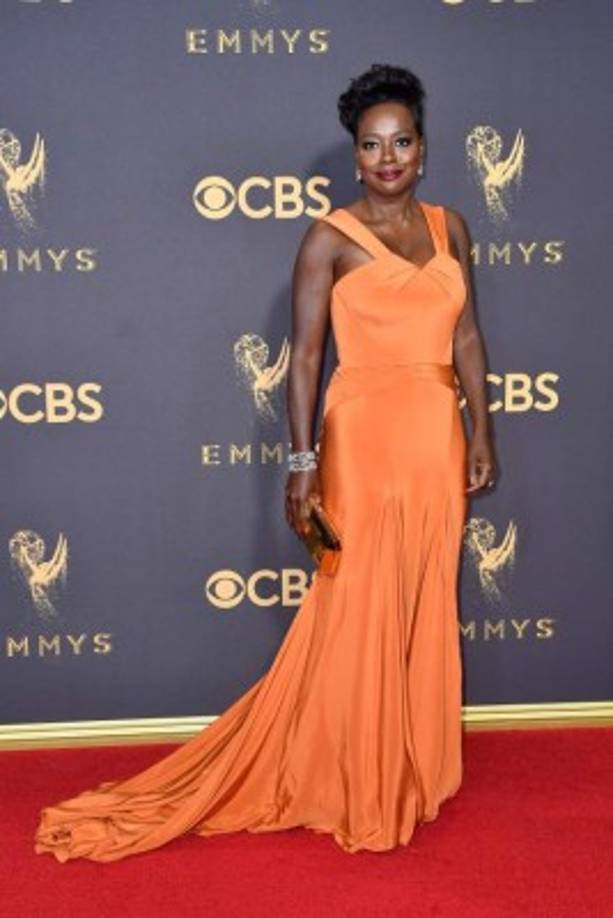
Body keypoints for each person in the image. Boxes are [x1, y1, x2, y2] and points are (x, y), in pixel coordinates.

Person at [34, 63, 496, 864]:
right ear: (354, 156)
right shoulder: (326, 237)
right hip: (363, 434)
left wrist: (482, 430)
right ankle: (358, 772)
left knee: (423, 593)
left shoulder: (451, 227)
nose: (387, 158)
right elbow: (305, 358)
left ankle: (412, 764)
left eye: (402, 142)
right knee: (357, 602)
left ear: (422, 148)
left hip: (435, 433)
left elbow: (464, 338)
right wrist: (302, 459)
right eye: (370, 145)